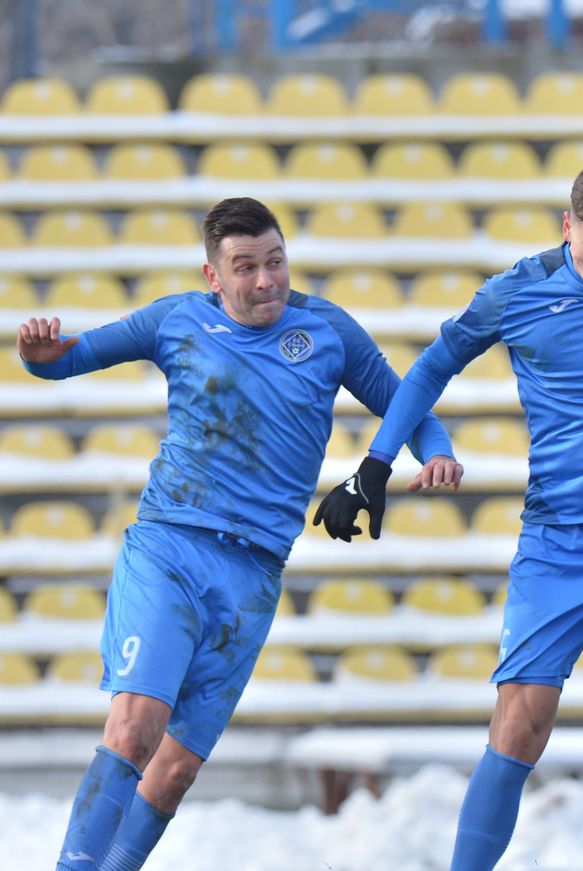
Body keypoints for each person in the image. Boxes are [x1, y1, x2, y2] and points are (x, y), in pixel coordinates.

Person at [21, 197, 463, 871]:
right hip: (171, 547)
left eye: (275, 261)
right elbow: (68, 358)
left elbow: (408, 404)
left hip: (253, 575)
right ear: (214, 275)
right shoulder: (175, 320)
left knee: (174, 773)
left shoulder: (327, 330)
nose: (265, 281)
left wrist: (437, 452)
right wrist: (41, 358)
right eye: (246, 267)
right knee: (135, 729)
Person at [313, 160, 583, 871]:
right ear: (567, 228)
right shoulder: (516, 293)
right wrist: (375, 464)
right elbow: (432, 366)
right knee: (521, 724)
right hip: (558, 537)